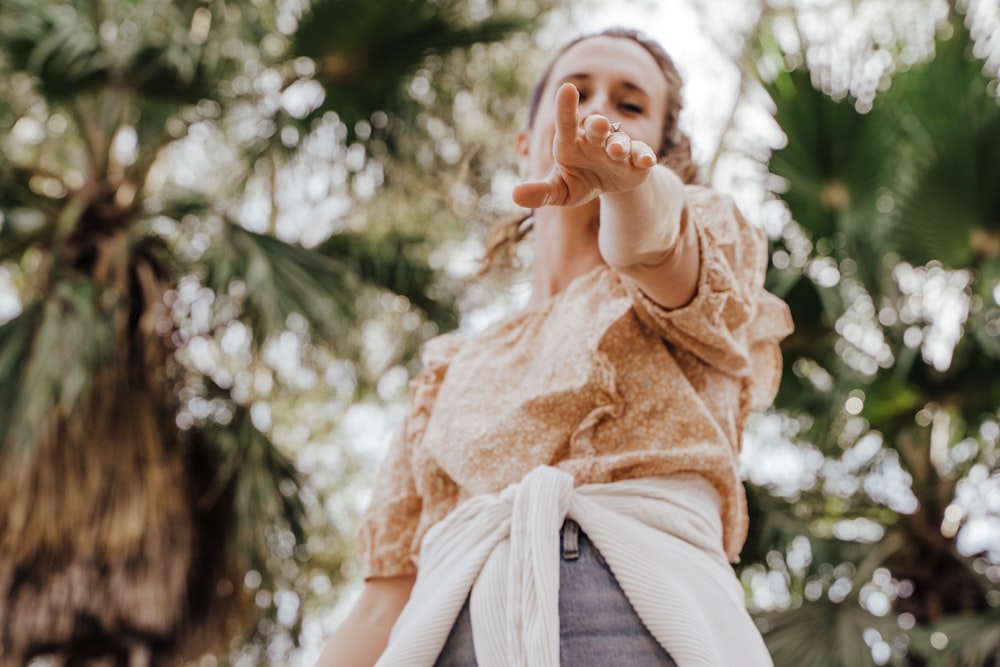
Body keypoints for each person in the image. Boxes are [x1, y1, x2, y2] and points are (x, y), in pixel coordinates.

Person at [316, 27, 792, 667]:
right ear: (524, 142)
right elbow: (379, 608)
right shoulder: (448, 371)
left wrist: (634, 193)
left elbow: (662, 246)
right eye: (577, 92)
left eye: (630, 106)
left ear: (664, 150)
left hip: (644, 628)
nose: (597, 112)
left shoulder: (698, 252)